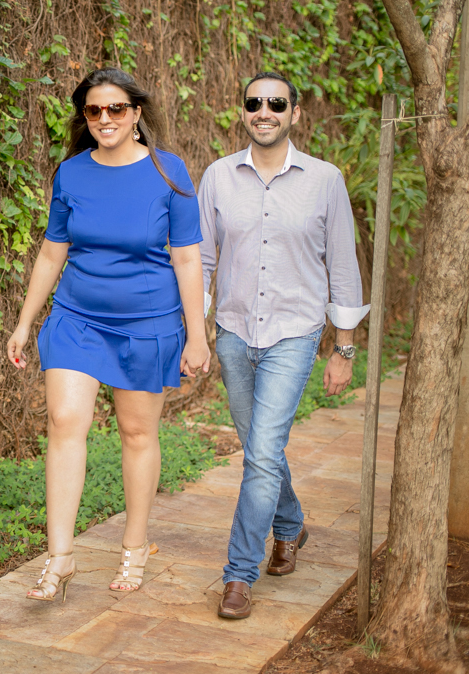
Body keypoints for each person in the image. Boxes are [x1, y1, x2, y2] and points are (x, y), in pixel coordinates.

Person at [7, 67, 210, 601]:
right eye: (94, 110)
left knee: (137, 433)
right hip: (77, 317)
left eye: (116, 108)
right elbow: (52, 252)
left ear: (136, 113)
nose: (105, 118)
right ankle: (60, 557)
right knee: (64, 421)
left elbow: (188, 258)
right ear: (85, 117)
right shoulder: (71, 173)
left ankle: (134, 548)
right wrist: (25, 323)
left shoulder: (169, 172)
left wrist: (197, 336)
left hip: (147, 324)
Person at [199, 72, 369, 620]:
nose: (264, 111)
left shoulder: (325, 180)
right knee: (262, 451)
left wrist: (344, 348)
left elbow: (342, 264)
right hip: (233, 332)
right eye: (254, 102)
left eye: (276, 102)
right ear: (243, 112)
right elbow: (202, 260)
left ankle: (238, 575)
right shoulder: (218, 177)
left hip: (294, 333)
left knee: (261, 453)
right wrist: (193, 332)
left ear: (295, 113)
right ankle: (291, 524)